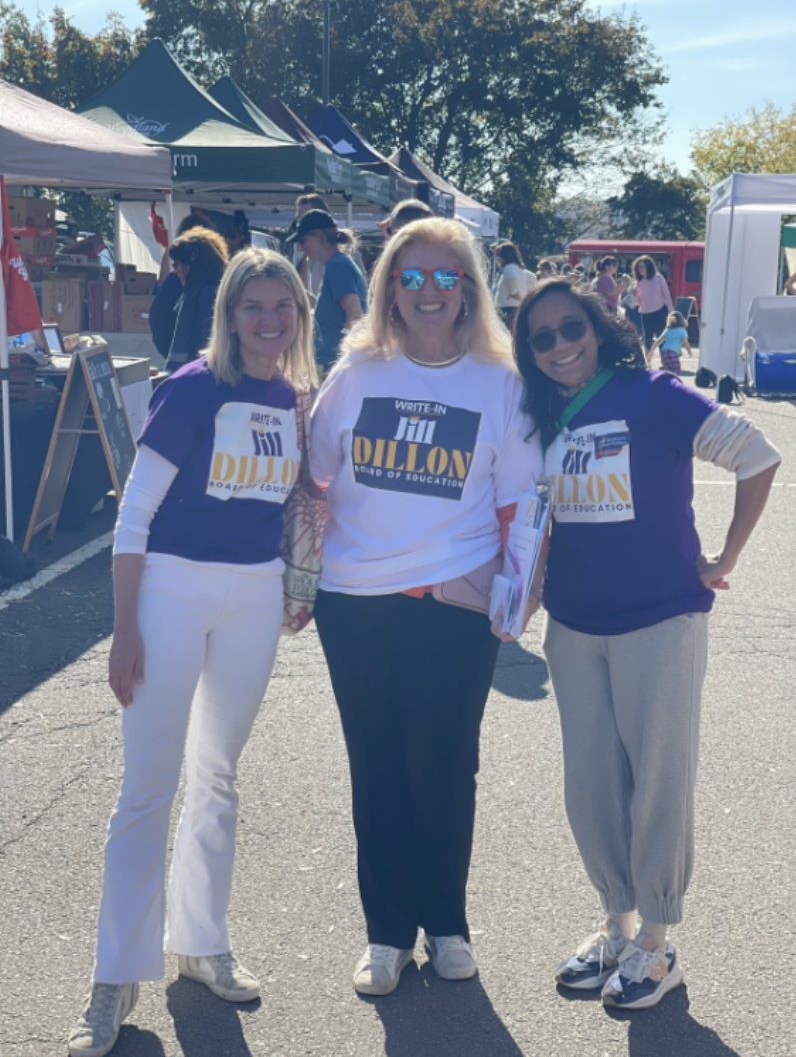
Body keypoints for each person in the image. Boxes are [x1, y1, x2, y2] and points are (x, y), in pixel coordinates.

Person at [67, 249, 316, 1057]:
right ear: (230, 314)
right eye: (256, 306)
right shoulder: (193, 387)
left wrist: (293, 585)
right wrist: (126, 626)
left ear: (299, 316)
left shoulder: (295, 398)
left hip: (253, 595)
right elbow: (133, 513)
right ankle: (114, 975)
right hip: (171, 590)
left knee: (218, 778)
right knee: (147, 787)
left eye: (284, 305)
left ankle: (200, 942)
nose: (270, 319)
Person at [511, 278, 781, 1011]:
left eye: (573, 328)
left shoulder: (654, 394)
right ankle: (617, 926)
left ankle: (658, 944)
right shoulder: (533, 412)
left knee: (659, 780)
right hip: (574, 624)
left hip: (661, 619)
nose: (561, 344)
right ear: (528, 352)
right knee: (591, 785)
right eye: (542, 337)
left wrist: (724, 558)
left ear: (598, 328)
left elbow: (758, 456)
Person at [310, 217, 543, 997]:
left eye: (447, 277)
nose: (430, 291)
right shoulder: (356, 373)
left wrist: (504, 598)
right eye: (411, 278)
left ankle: (446, 923)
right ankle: (385, 934)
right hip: (356, 604)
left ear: (471, 289)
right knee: (375, 767)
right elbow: (311, 482)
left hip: (454, 607)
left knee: (444, 768)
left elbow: (522, 507)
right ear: (388, 291)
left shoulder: (501, 381)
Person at [288, 209, 367, 374]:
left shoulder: (336, 265)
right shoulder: (339, 263)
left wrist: (342, 360)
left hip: (333, 363)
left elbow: (355, 316)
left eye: (303, 240)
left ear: (318, 236)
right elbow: (335, 311)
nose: (301, 246)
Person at [149, 213, 216, 361]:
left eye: (177, 263)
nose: (177, 269)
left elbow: (157, 321)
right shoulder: (209, 286)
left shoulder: (202, 289)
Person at [163, 228, 229, 374]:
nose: (175, 270)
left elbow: (211, 343)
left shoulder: (207, 293)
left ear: (193, 265)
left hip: (199, 375)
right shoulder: (196, 292)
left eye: (176, 264)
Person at [632, 255, 672, 351]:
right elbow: (637, 304)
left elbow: (667, 295)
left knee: (661, 338)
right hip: (645, 314)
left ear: (648, 267)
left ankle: (664, 362)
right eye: (638, 267)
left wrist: (671, 312)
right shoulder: (637, 282)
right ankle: (648, 362)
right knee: (647, 340)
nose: (640, 269)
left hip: (660, 311)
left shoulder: (658, 278)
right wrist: (634, 295)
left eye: (642, 266)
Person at [494, 241, 535, 326]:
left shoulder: (508, 268)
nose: (498, 260)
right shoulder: (519, 269)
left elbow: (512, 278)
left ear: (504, 257)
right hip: (517, 306)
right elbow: (532, 277)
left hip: (507, 308)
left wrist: (513, 293)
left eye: (499, 257)